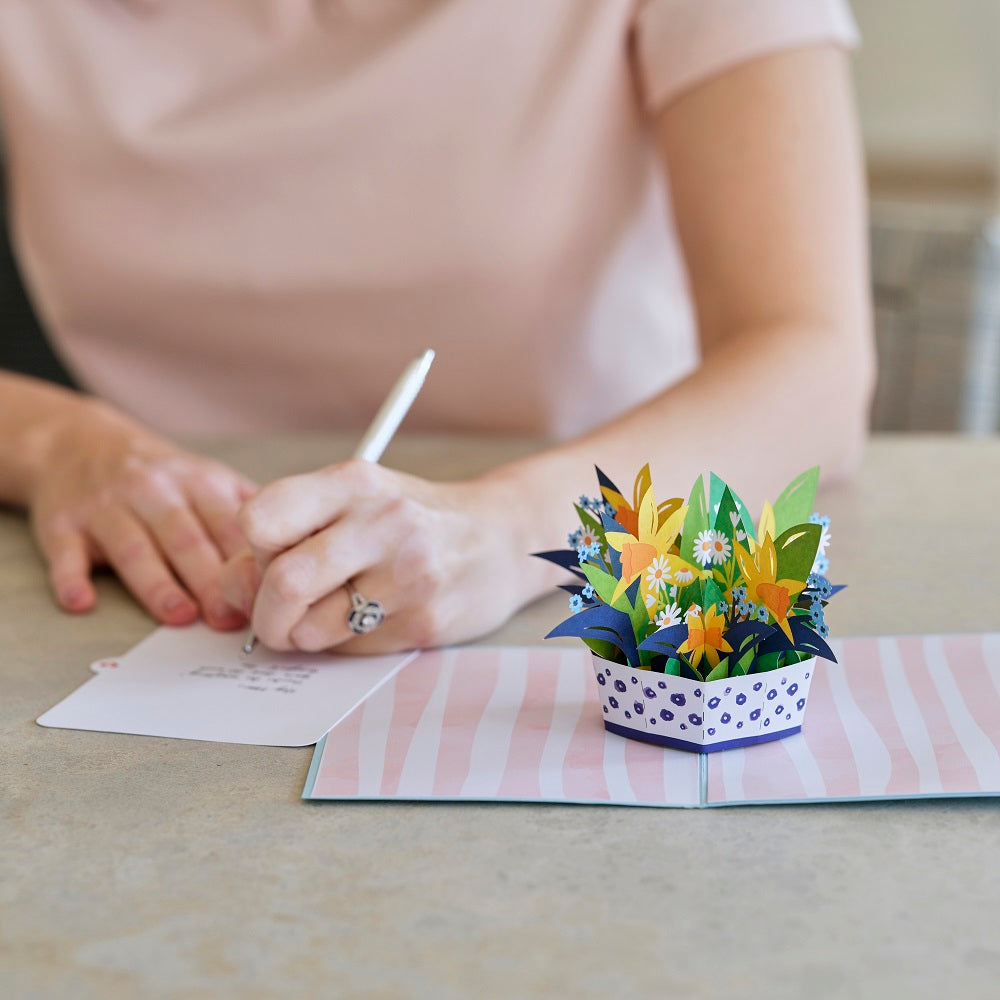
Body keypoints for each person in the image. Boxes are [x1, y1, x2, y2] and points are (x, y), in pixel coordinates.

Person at [0, 1, 875, 654]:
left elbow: (815, 368)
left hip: (607, 574)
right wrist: (55, 443)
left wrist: (509, 532)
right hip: (161, 588)